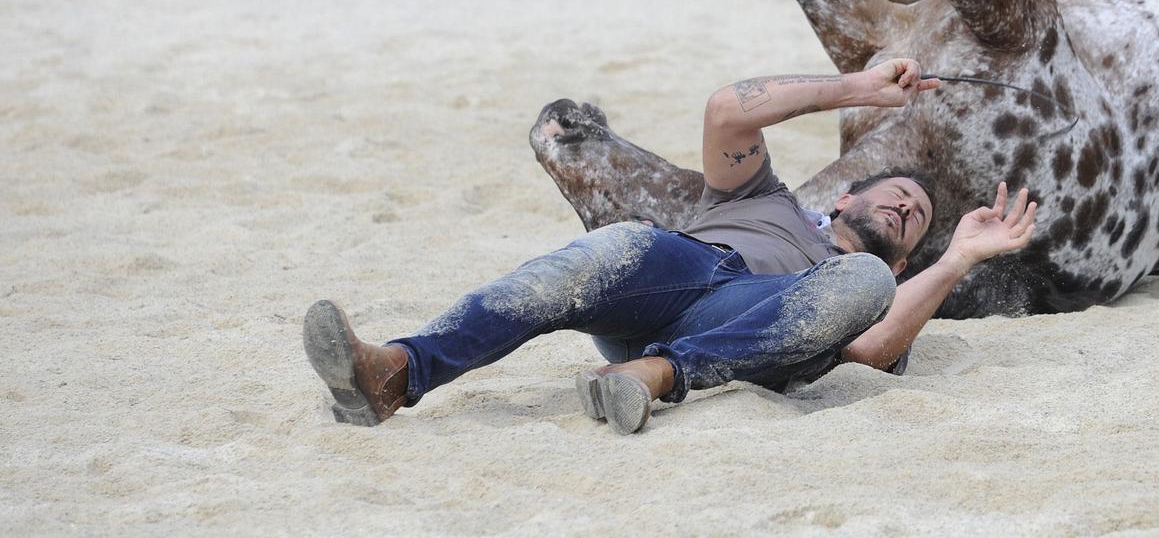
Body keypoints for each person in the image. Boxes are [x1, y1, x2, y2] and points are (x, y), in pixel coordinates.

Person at [306, 60, 1038, 434]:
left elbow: (874, 348)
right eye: (897, 192)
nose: (909, 203)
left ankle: (661, 374)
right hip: (672, 270)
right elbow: (727, 111)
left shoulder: (875, 277)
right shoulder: (761, 197)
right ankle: (399, 370)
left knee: (860, 286)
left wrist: (959, 257)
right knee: (612, 247)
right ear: (841, 197)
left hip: (755, 320)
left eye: (918, 215)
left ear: (909, 256)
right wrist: (856, 88)